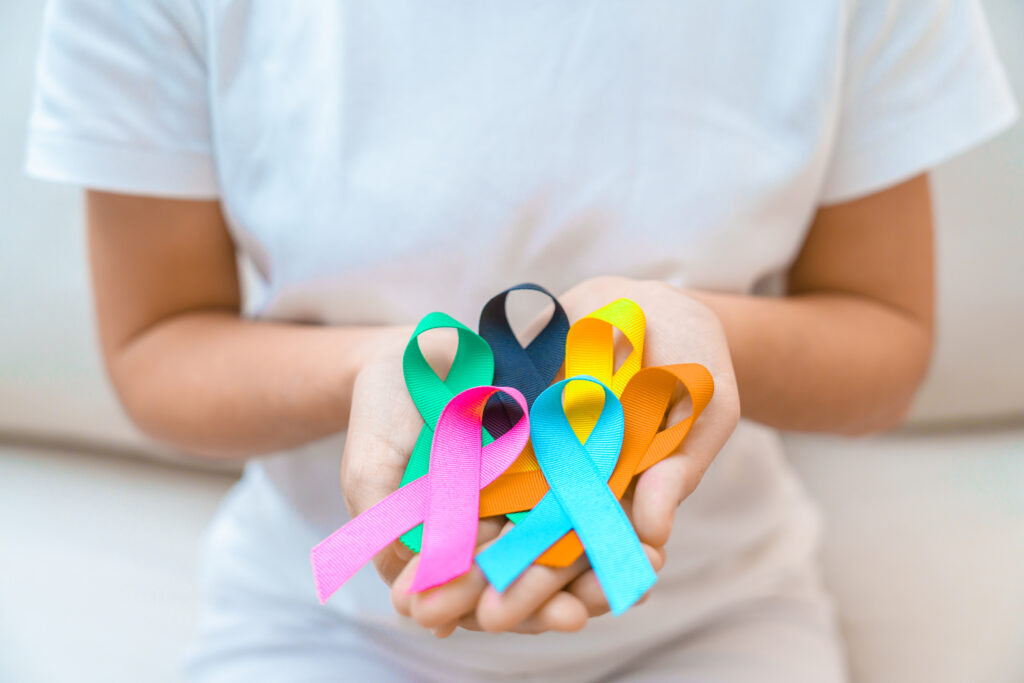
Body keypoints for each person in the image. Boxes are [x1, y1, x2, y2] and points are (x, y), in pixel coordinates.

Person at [26, 1, 1017, 681]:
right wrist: (366, 368)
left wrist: (703, 344)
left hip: (713, 620)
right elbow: (157, 345)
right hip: (323, 627)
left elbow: (883, 343)